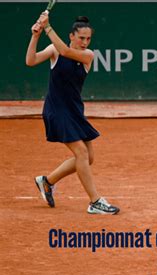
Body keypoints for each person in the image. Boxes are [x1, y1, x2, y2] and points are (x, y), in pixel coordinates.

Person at [26, 13, 119, 214]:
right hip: (56, 110)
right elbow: (30, 61)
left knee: (88, 157)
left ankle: (47, 181)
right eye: (81, 38)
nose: (85, 42)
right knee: (81, 153)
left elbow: (66, 51)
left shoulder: (88, 55)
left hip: (75, 110)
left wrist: (48, 27)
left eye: (88, 38)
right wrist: (36, 35)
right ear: (71, 36)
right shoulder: (54, 51)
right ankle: (95, 202)